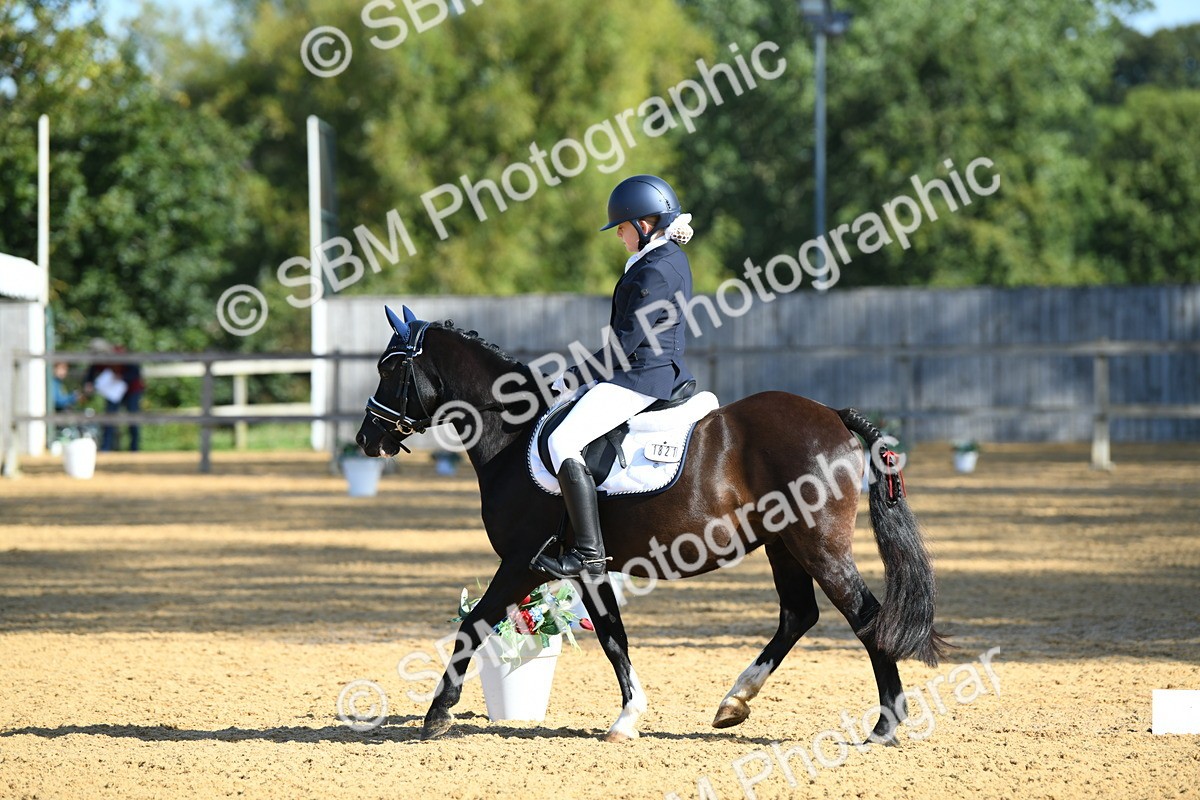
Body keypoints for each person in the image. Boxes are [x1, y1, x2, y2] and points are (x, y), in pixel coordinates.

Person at [533, 174, 696, 580]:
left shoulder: (654, 271)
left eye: (622, 227)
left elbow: (624, 345)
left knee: (562, 439)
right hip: (643, 370)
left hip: (640, 377)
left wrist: (573, 375)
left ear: (644, 224)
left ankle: (587, 553)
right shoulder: (663, 257)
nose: (618, 235)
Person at [84, 339, 145, 452]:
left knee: (133, 418)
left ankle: (134, 448)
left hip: (132, 389)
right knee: (109, 418)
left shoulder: (121, 354)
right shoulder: (100, 359)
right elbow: (91, 371)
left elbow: (136, 372)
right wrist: (89, 383)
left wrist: (122, 377)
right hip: (113, 392)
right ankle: (106, 447)